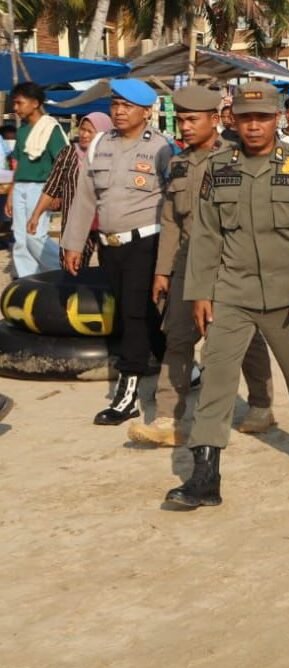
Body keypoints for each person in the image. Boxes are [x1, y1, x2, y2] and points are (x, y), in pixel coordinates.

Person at [166, 81, 289, 508]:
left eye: (262, 118)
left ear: (278, 119)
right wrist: (201, 292)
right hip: (231, 292)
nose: (254, 126)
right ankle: (205, 475)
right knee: (218, 377)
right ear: (232, 120)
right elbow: (205, 236)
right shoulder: (219, 168)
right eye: (245, 118)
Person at [129, 85, 276, 448]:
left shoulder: (239, 159)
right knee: (177, 337)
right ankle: (168, 417)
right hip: (188, 267)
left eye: (192, 120)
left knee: (244, 340)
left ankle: (260, 405)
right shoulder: (177, 163)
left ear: (214, 120)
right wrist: (163, 272)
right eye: (180, 120)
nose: (185, 127)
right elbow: (172, 221)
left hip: (231, 267)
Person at [61, 79, 173, 426]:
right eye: (115, 105)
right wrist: (73, 243)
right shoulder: (99, 145)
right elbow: (85, 197)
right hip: (110, 247)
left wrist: (170, 259)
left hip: (146, 242)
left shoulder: (162, 148)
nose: (119, 111)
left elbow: (173, 204)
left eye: (127, 106)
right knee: (144, 312)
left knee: (132, 315)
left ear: (146, 111)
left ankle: (127, 395)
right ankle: (185, 366)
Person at [26, 112, 109, 267]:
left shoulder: (111, 156)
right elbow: (51, 187)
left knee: (110, 271)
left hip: (106, 224)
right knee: (71, 268)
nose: (83, 134)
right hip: (74, 224)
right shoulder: (68, 153)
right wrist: (36, 215)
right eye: (82, 129)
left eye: (90, 131)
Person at [8, 81, 68, 277]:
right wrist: (10, 194)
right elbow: (18, 165)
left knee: (35, 235)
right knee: (20, 237)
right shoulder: (23, 130)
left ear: (34, 103)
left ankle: (57, 271)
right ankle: (28, 280)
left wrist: (57, 192)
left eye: (19, 103)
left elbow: (62, 162)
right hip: (20, 187)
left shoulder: (51, 128)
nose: (15, 108)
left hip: (41, 188)